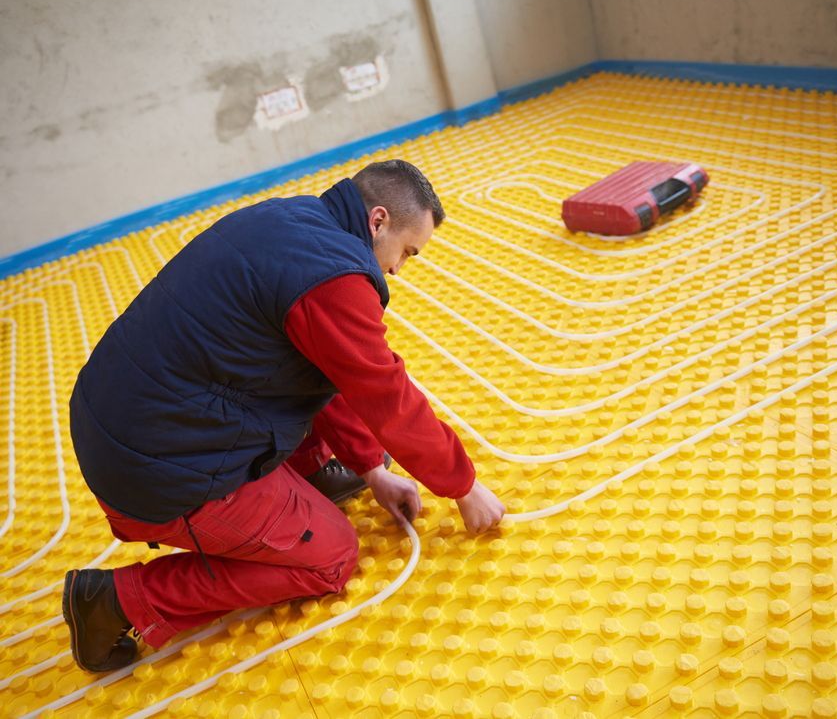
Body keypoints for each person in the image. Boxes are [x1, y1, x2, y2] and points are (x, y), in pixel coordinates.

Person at [62, 159, 506, 673]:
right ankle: (116, 601)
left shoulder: (291, 219)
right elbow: (387, 396)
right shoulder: (334, 278)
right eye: (407, 251)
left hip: (124, 421)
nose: (398, 269)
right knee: (331, 557)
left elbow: (325, 366)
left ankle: (308, 475)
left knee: (282, 363)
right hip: (157, 469)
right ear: (378, 221)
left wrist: (371, 469)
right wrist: (464, 487)